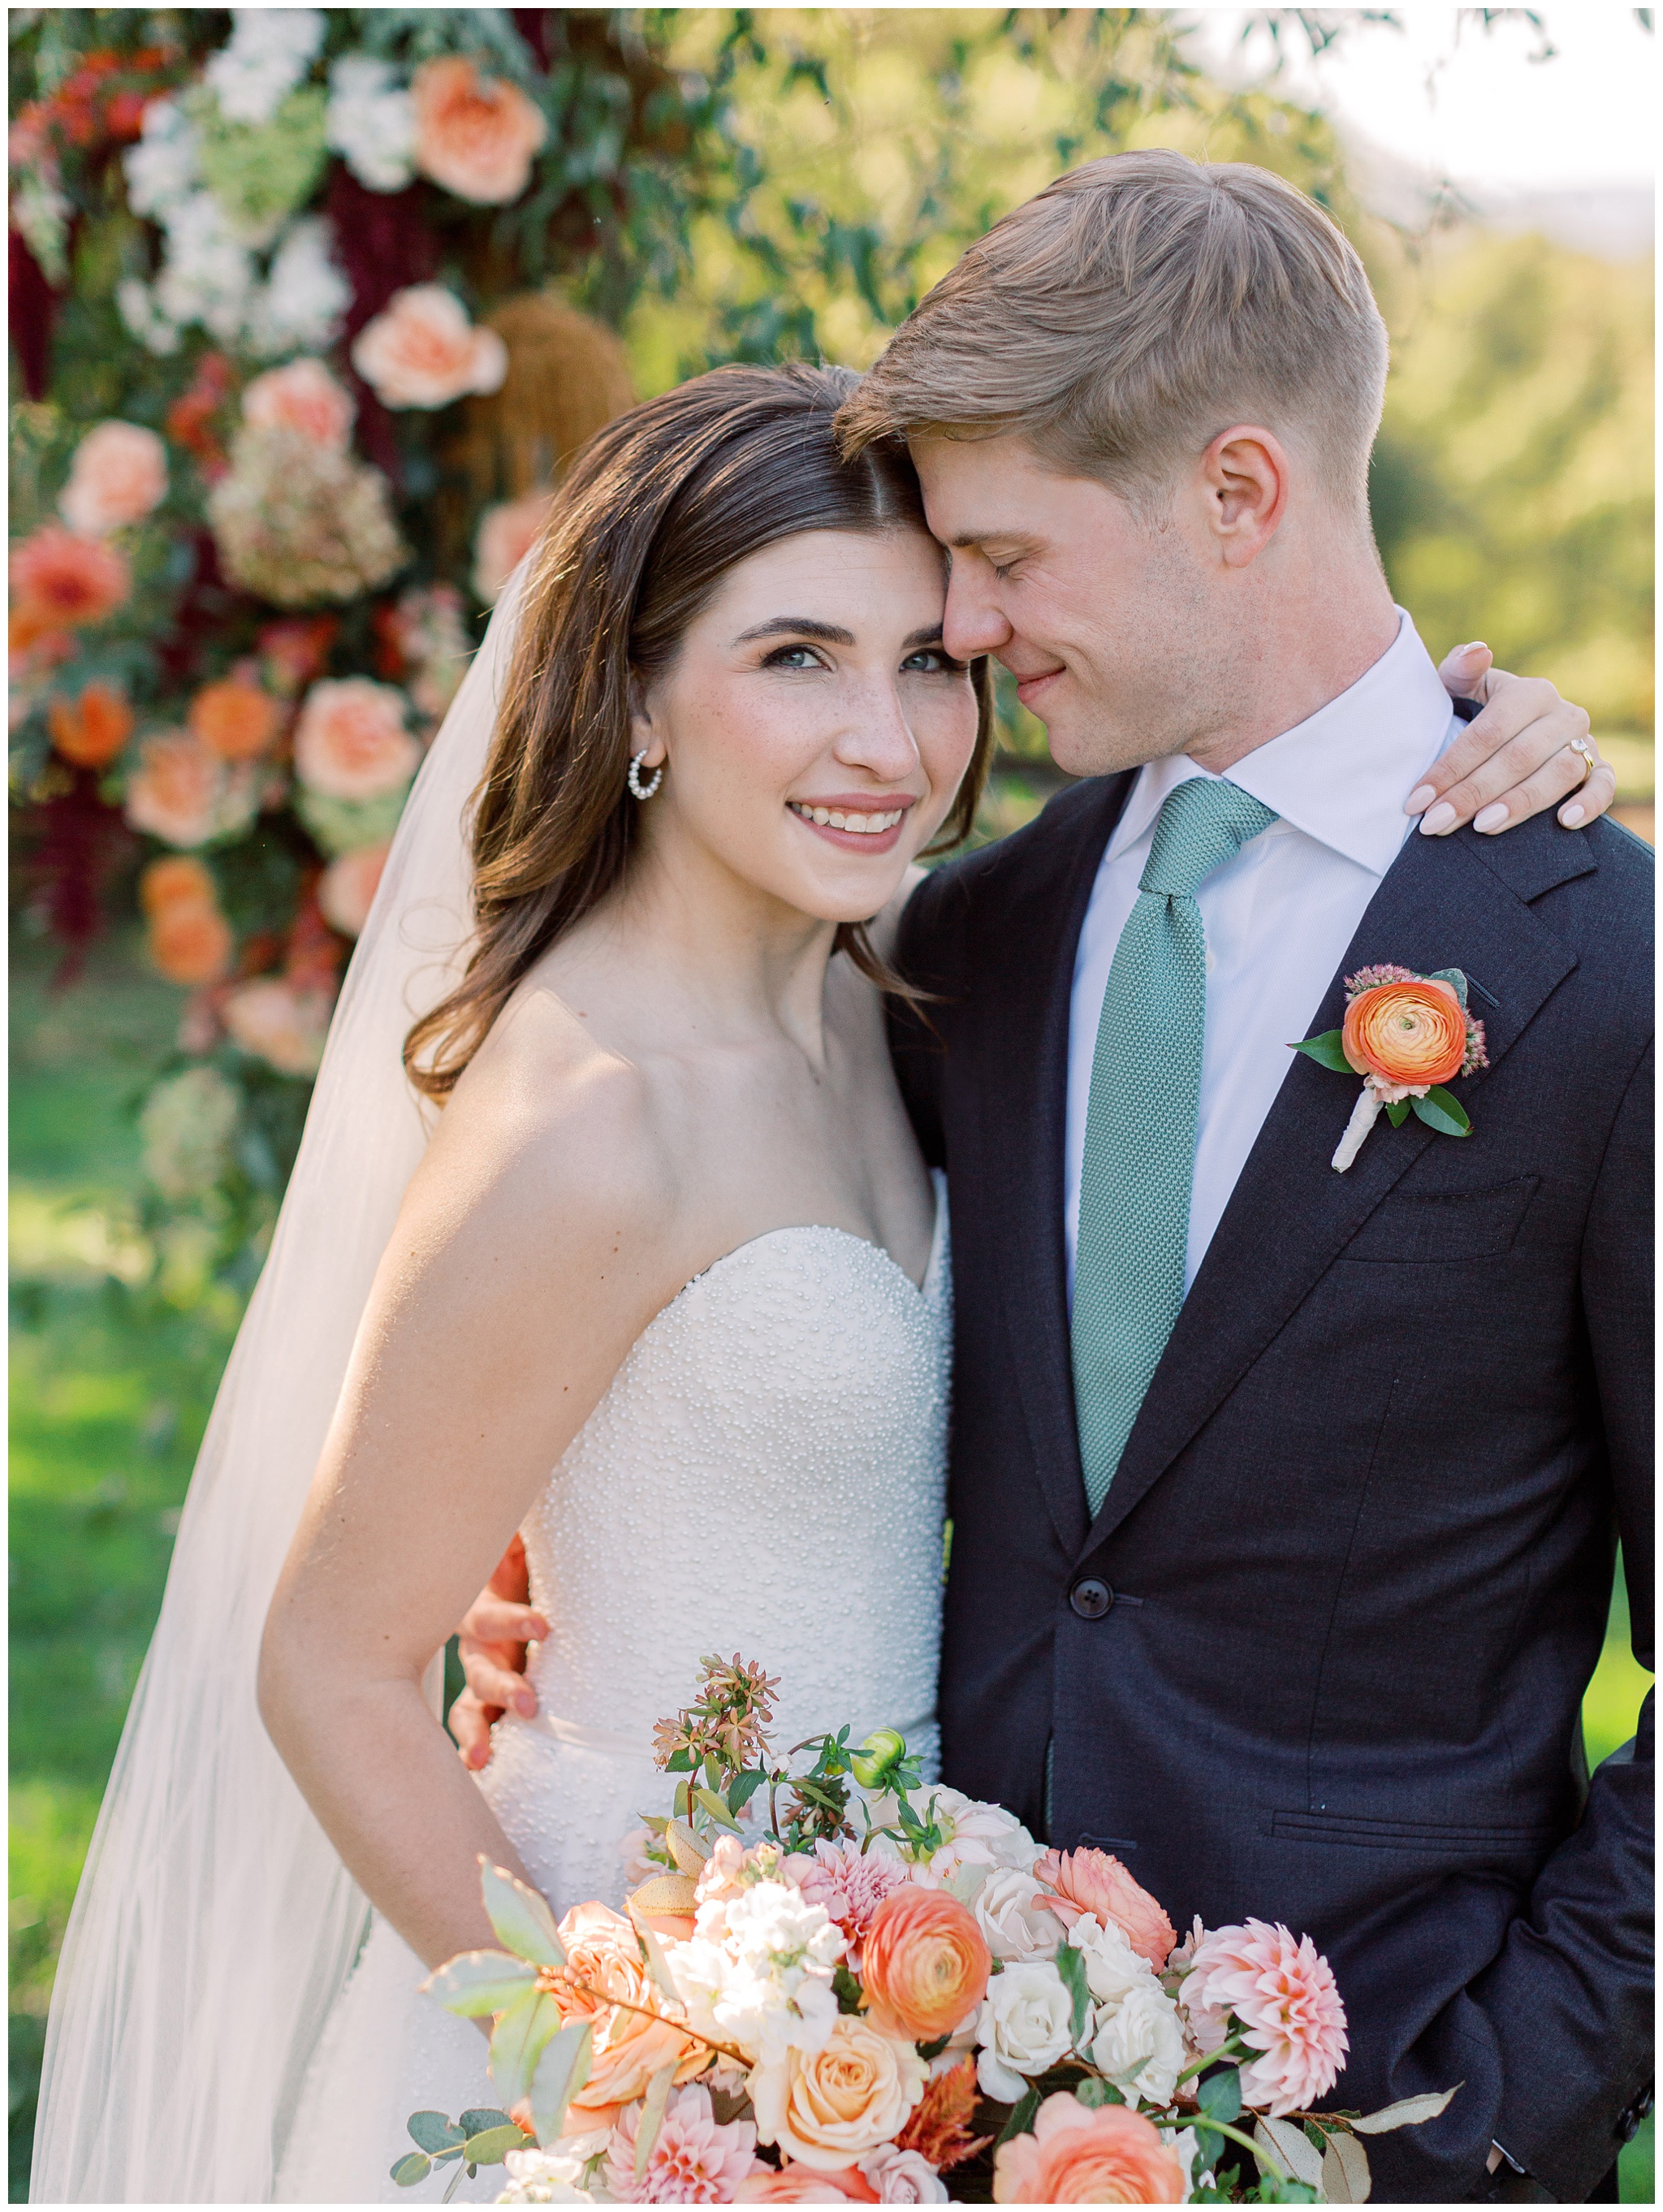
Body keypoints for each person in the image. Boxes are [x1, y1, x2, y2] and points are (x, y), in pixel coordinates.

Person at [33, 307, 1609, 2206]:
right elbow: (328, 1665)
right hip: (641, 2005)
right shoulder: (591, 1107)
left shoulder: (921, 990)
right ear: (630, 695)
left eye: (930, 663)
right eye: (795, 660)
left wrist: (1472, 733)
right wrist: (631, 2078)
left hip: (911, 2007)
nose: (890, 745)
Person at [464, 154, 1650, 2206]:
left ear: (1238, 492)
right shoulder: (959, 946)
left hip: (1390, 2114)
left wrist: (1508, 2106)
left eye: (1003, 557)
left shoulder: (1602, 969)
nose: (969, 632)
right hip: (895, 2099)